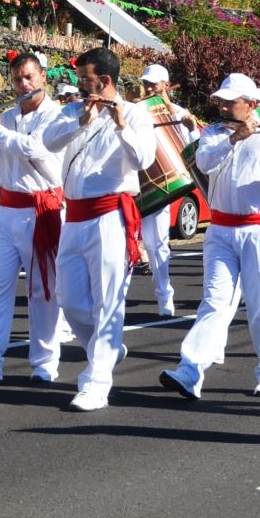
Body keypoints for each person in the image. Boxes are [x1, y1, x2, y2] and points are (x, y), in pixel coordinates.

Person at [159, 73, 260, 401]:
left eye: (231, 101)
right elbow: (204, 163)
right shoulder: (213, 134)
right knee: (214, 301)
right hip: (221, 230)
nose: (224, 106)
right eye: (221, 101)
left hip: (259, 230)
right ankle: (191, 369)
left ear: (251, 104)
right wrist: (235, 137)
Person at [37, 46, 157, 412]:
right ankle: (106, 349)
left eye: (85, 79)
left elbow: (144, 160)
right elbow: (47, 141)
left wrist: (121, 126)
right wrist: (80, 121)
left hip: (110, 215)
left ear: (104, 81)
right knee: (69, 300)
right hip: (74, 215)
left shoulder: (135, 114)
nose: (79, 84)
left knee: (108, 303)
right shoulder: (73, 109)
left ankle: (96, 381)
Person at [0, 53, 66, 383]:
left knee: (42, 290)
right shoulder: (6, 116)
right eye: (18, 79)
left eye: (29, 77)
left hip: (40, 210)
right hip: (5, 211)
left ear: (43, 77)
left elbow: (36, 150)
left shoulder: (57, 116)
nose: (23, 84)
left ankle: (45, 362)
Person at [136, 63, 193, 316]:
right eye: (146, 83)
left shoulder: (180, 112)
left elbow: (189, 148)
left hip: (158, 188)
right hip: (132, 185)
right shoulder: (135, 110)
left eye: (154, 84)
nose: (149, 88)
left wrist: (186, 125)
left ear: (166, 86)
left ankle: (163, 295)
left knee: (156, 245)